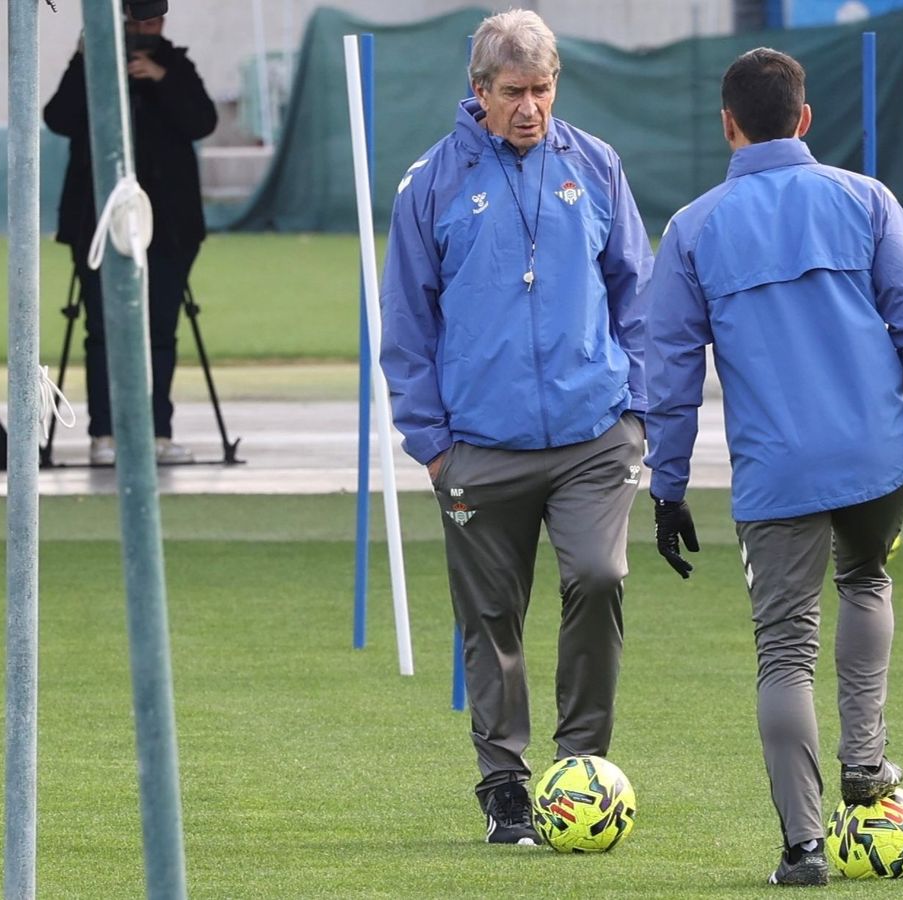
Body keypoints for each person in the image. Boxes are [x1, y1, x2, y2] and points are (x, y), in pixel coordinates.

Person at [643, 48, 903, 886]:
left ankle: (802, 850)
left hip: (777, 474)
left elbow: (671, 377)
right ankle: (865, 763)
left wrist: (668, 488)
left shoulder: (693, 229)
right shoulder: (866, 200)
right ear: (804, 118)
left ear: (728, 126)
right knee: (866, 582)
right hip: (876, 456)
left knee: (784, 651)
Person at [379, 10, 652, 846]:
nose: (531, 107)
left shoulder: (596, 165)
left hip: (593, 435)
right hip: (477, 447)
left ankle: (581, 767)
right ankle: (503, 783)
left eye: (543, 89)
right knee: (491, 616)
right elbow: (406, 322)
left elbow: (637, 295)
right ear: (479, 91)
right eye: (513, 92)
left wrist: (638, 411)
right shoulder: (431, 183)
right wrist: (433, 446)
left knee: (599, 576)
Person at [44, 10, 217, 466]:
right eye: (136, 24)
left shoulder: (175, 65)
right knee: (102, 330)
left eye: (153, 23)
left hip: (169, 225)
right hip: (97, 221)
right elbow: (59, 118)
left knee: (160, 328)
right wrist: (87, 65)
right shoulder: (92, 64)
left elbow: (201, 122)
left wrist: (161, 79)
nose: (144, 33)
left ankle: (157, 432)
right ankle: (104, 433)